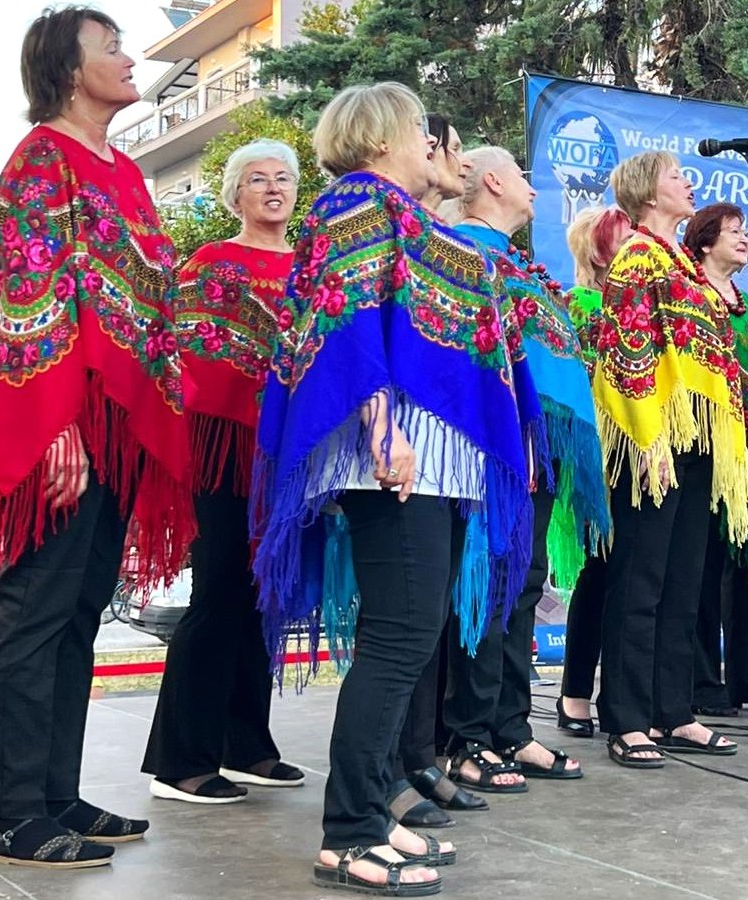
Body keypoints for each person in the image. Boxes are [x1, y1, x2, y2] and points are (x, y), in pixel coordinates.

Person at [251, 83, 540, 895]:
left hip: (430, 459)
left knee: (412, 637)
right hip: (390, 457)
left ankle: (372, 813)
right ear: (381, 138)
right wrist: (382, 429)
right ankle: (348, 834)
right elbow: (348, 319)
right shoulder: (356, 201)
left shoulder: (404, 213)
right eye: (420, 128)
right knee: (398, 640)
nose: (432, 141)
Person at [0, 7, 196, 869]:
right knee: (38, 611)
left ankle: (56, 793)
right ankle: (15, 813)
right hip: (61, 422)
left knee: (79, 615)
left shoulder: (125, 173)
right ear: (68, 70)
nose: (131, 59)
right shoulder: (42, 160)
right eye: (112, 47)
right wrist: (54, 419)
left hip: (114, 430)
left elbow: (146, 296)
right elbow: (19, 293)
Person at [141, 139, 306, 803]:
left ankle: (245, 744)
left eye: (284, 177)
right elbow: (188, 359)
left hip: (288, 455)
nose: (273, 188)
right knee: (218, 591)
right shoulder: (211, 262)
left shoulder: (309, 268)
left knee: (264, 596)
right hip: (223, 451)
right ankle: (181, 761)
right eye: (258, 178)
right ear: (236, 194)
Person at [442, 145, 608, 789]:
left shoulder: (513, 261)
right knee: (489, 586)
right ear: (491, 181)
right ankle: (468, 736)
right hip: (494, 449)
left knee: (523, 587)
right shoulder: (466, 251)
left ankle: (511, 728)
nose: (534, 189)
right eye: (522, 177)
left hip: (535, 450)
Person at [592, 151, 748, 768]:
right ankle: (627, 718)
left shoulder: (681, 261)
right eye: (676, 176)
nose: (688, 183)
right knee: (640, 581)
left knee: (684, 581)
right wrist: (648, 436)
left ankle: (674, 710)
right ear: (649, 194)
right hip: (654, 436)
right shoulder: (637, 255)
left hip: (699, 435)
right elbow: (627, 348)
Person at [387, 113, 488, 828]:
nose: (459, 161)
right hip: (397, 454)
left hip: (447, 456)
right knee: (400, 629)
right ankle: (381, 781)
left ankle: (417, 757)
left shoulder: (439, 237)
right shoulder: (379, 218)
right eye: (451, 148)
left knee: (428, 624)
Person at [681, 203, 748, 717]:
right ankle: (701, 678)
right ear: (704, 241)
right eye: (732, 231)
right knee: (702, 566)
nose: (743, 238)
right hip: (706, 448)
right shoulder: (691, 295)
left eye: (745, 230)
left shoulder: (745, 303)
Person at [556, 204, 633, 737]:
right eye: (622, 241)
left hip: (640, 455)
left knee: (627, 577)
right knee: (597, 574)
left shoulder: (639, 301)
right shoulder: (580, 304)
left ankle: (623, 694)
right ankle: (575, 691)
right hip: (597, 456)